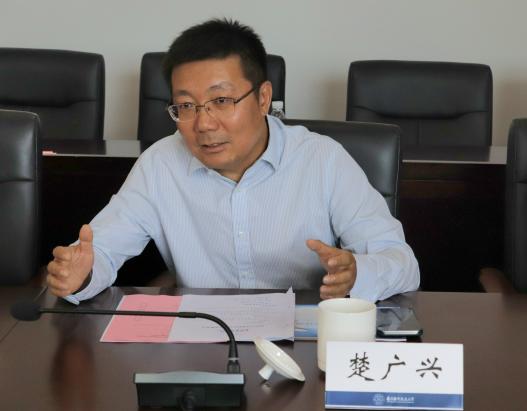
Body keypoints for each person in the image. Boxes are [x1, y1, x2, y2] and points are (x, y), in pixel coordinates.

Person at [46, 19, 419, 304]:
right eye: (186, 106)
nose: (204, 124)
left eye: (222, 101)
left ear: (262, 98)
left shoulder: (323, 160)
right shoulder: (160, 164)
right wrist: (82, 274)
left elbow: (402, 263)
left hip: (303, 346)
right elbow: (100, 251)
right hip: (204, 344)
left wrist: (356, 274)